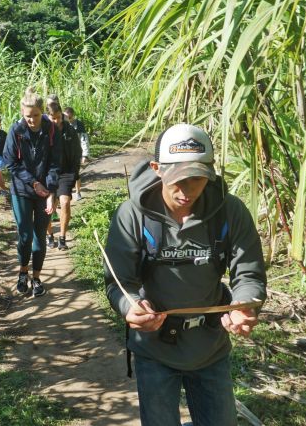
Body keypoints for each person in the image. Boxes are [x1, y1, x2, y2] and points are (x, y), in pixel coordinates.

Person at [104, 124, 267, 426]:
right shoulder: (131, 215)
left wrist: (244, 305)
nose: (187, 191)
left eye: (197, 179)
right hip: (154, 349)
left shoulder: (230, 212)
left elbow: (249, 274)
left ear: (211, 172)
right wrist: (131, 308)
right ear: (157, 169)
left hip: (210, 347)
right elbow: (119, 282)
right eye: (177, 180)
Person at [3, 88, 63, 297]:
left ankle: (36, 277)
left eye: (36, 115)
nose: (32, 120)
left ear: (42, 112)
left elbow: (56, 162)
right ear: (22, 114)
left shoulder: (50, 129)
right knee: (25, 235)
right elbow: (11, 162)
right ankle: (22, 272)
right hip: (22, 190)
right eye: (27, 116)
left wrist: (51, 192)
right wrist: (33, 183)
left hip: (44, 191)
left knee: (39, 236)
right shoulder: (16, 131)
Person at [44, 99, 82, 251]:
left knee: (65, 202)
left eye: (59, 117)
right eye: (53, 118)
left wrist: (75, 172)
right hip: (48, 173)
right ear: (48, 117)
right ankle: (49, 235)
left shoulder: (70, 130)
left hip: (66, 172)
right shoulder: (43, 130)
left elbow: (77, 151)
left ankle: (62, 237)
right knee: (49, 206)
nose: (57, 121)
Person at [63, 106, 89, 201]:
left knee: (76, 173)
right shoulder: (61, 124)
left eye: (70, 117)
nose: (68, 120)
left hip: (76, 153)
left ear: (73, 116)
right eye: (66, 117)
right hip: (65, 154)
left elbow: (84, 139)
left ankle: (77, 192)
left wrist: (85, 154)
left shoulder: (79, 125)